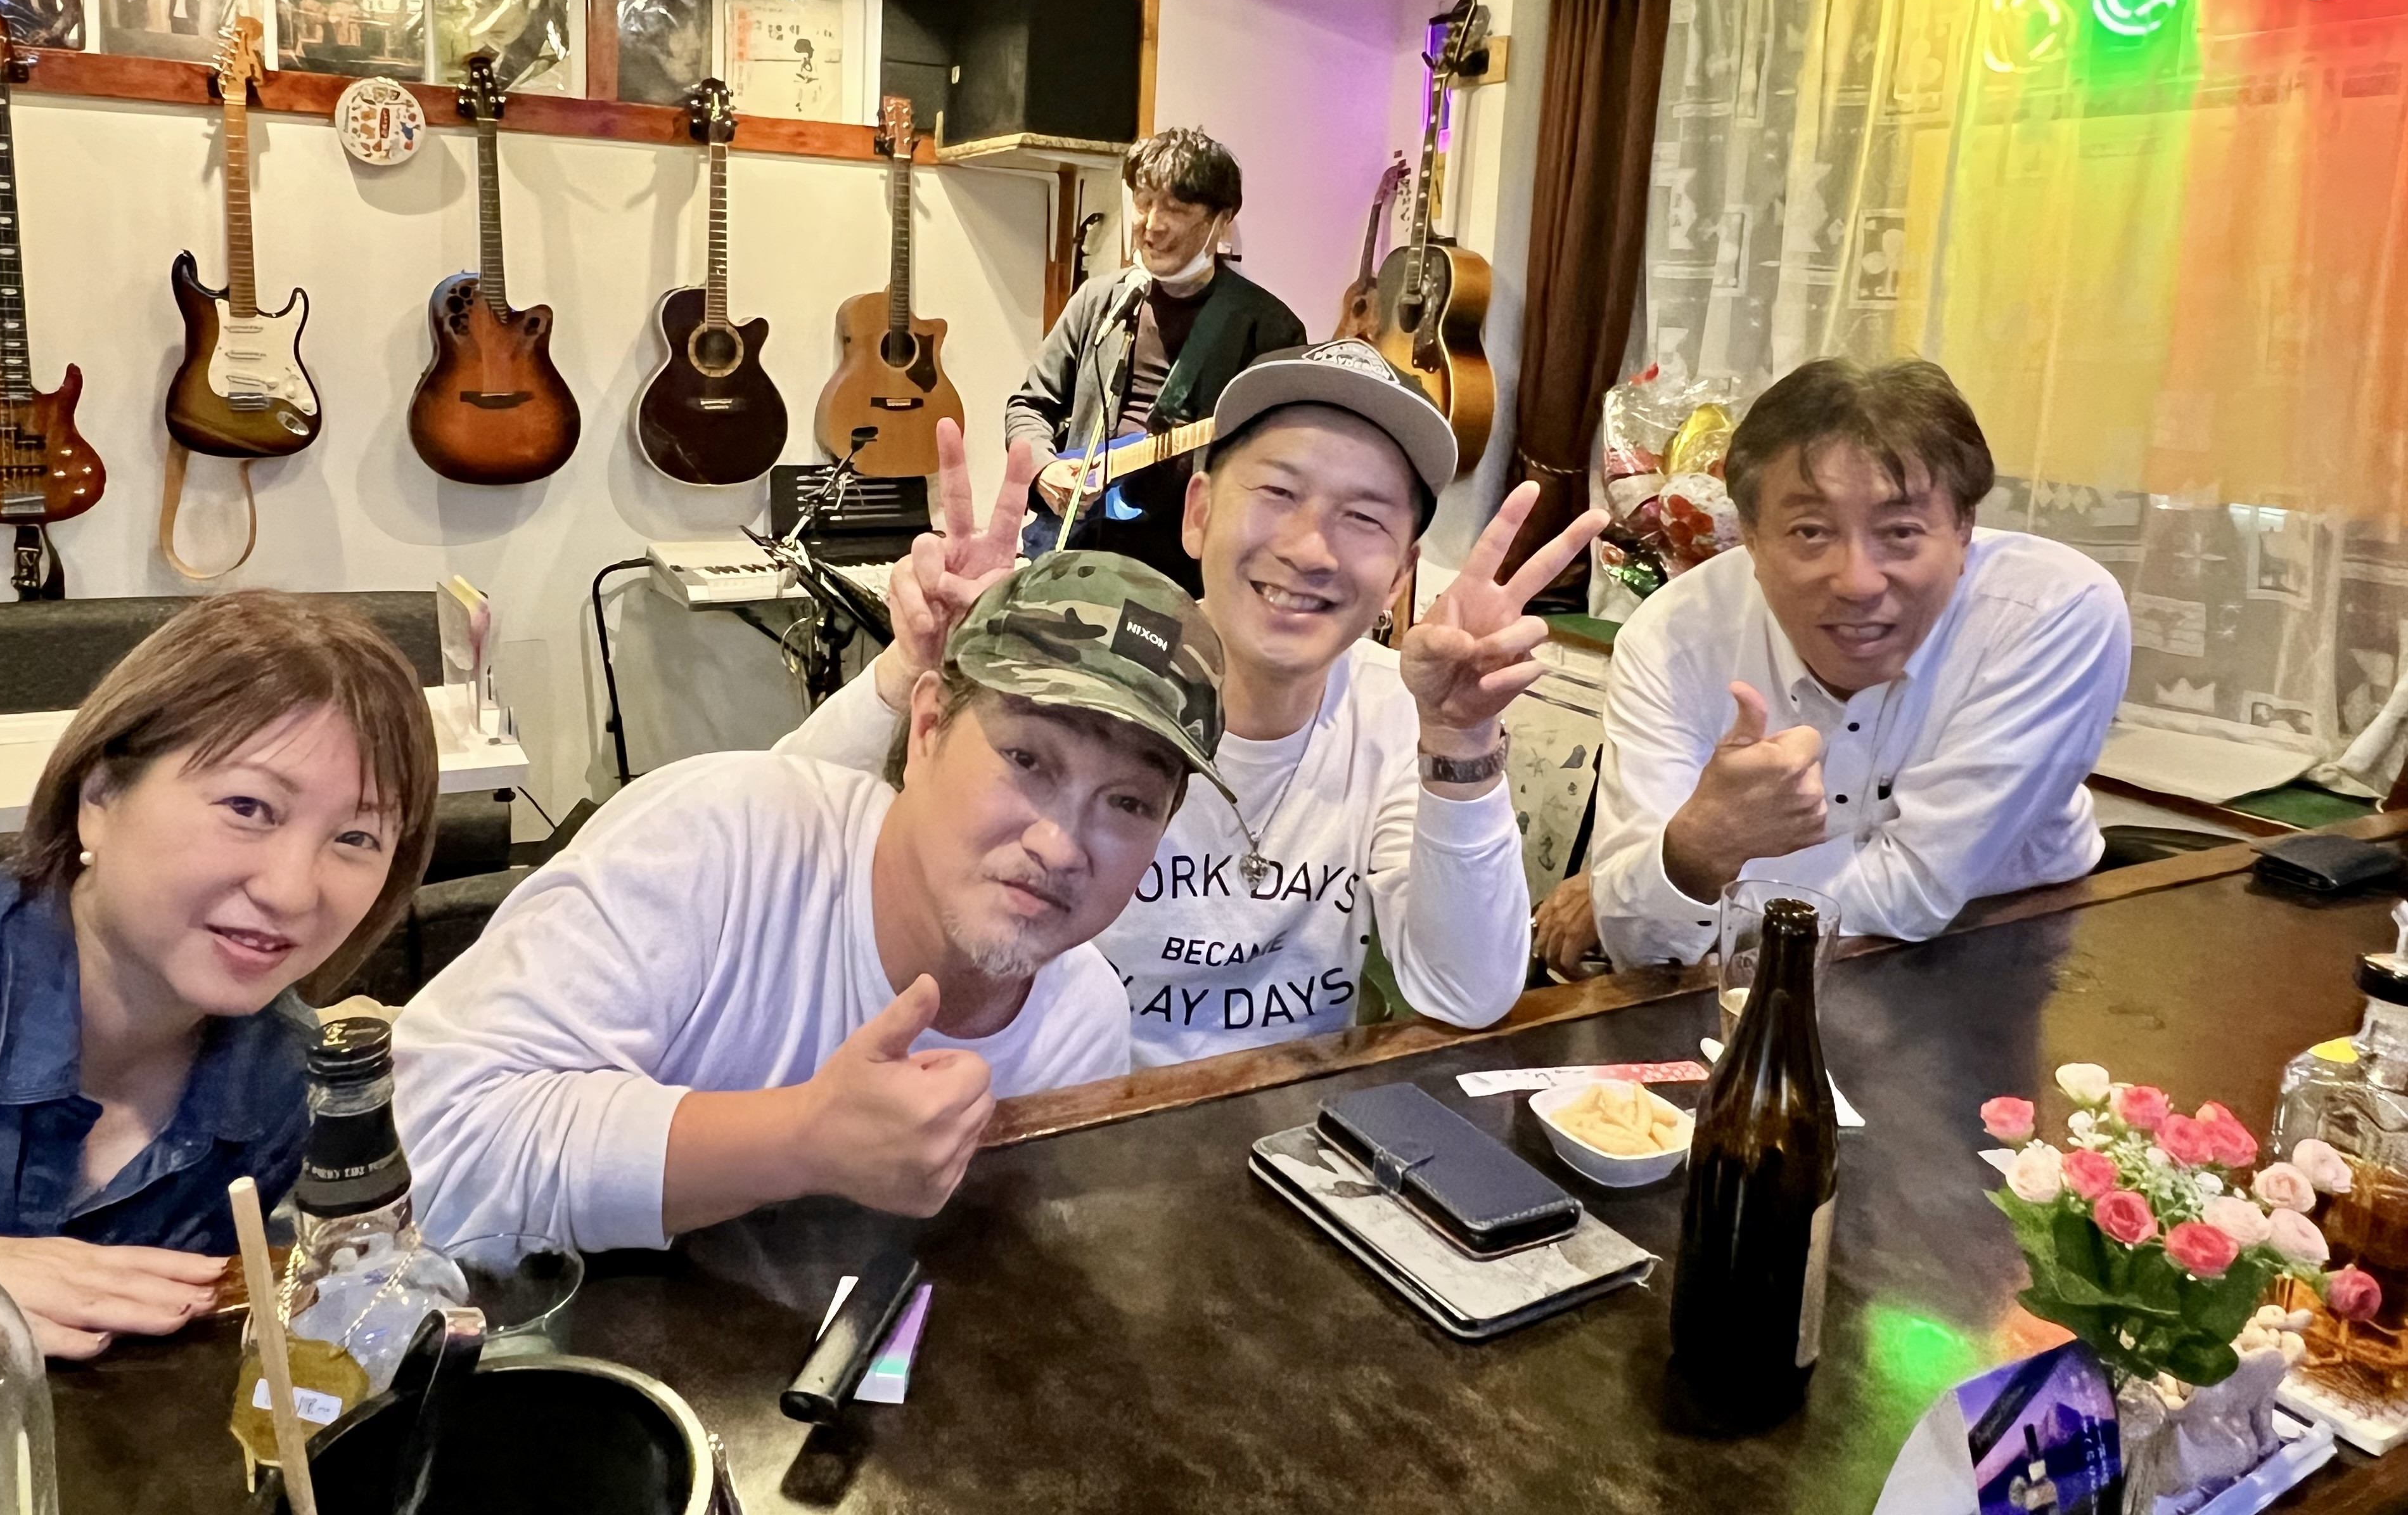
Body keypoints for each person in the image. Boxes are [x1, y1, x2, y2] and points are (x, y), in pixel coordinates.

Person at [783, 342, 1607, 1069]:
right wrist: (913, 666)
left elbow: (1466, 993)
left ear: (1399, 575)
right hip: (1054, 1109)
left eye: (1362, 517)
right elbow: (788, 851)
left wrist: (1461, 740)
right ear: (1200, 513)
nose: (1309, 548)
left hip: (1286, 1140)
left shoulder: (1402, 712)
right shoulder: (1084, 663)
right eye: (1278, 491)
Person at [390, 552, 1227, 1254]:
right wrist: (799, 1139)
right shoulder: (718, 843)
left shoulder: (1081, 1023)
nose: (1061, 844)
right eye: (1028, 760)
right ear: (927, 731)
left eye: (1129, 803)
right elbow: (431, 1146)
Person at [0, 592, 437, 1358]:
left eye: (357, 837)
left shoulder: (282, 1088)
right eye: (248, 807)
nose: (293, 891)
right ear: (99, 796)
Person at [1539, 356, 2131, 975]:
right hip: (1738, 970)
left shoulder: (2052, 613)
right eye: (1810, 532)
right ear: (1750, 537)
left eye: (1900, 532)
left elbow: (1917, 885)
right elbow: (1640, 940)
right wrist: (1690, 854)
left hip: (2015, 941)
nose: (1858, 582)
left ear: (1963, 530)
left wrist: (1672, 882)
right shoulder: (1673, 637)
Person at [1009, 127, 1307, 593]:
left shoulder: (1267, 329)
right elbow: (1029, 405)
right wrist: (1043, 470)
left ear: (1222, 220)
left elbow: (1281, 463)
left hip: (1189, 576)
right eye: (1143, 203)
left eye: (1176, 209)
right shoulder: (1099, 302)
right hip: (1076, 551)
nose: (1152, 225)